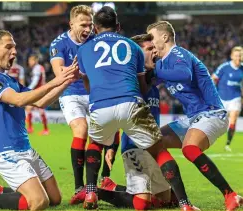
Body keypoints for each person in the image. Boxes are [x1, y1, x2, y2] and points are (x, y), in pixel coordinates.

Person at [78, 7, 197, 211]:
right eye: (149, 49)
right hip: (131, 105)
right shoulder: (132, 48)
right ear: (118, 27)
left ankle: (90, 191)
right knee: (160, 154)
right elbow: (142, 87)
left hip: (100, 103)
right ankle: (186, 205)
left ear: (95, 28)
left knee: (95, 143)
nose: (154, 53)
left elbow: (88, 84)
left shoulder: (84, 49)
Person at [0, 30, 79, 210]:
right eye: (9, 47)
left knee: (55, 198)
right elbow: (18, 100)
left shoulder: (10, 80)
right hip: (7, 154)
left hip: (26, 150)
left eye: (15, 47)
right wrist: (56, 80)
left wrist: (67, 81)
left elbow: (42, 102)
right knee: (39, 202)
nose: (14, 52)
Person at [147, 21, 243, 211]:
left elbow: (183, 74)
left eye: (152, 37)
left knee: (190, 148)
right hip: (194, 118)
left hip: (212, 112)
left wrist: (154, 69)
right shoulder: (163, 63)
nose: (150, 42)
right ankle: (173, 196)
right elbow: (148, 82)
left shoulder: (178, 54)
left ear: (164, 37)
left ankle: (230, 195)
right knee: (152, 142)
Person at [96, 34, 178, 210]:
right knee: (142, 204)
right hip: (133, 146)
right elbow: (117, 114)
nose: (154, 51)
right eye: (149, 49)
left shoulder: (154, 80)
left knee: (168, 201)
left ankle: (115, 187)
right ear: (136, 54)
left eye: (153, 48)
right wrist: (111, 147)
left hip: (153, 147)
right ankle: (99, 192)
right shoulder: (128, 83)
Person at [49, 5, 119, 203]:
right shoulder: (59, 43)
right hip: (70, 93)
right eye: (83, 25)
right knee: (81, 129)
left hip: (94, 91)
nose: (88, 29)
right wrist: (80, 73)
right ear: (71, 24)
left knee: (113, 127)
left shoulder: (95, 41)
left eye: (90, 25)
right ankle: (80, 187)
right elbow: (59, 72)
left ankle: (105, 177)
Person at [211, 46, 243, 152]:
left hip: (235, 98)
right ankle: (210, 139)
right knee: (219, 123)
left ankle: (228, 144)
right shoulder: (224, 67)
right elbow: (213, 78)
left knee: (233, 119)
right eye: (236, 56)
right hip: (222, 98)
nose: (238, 58)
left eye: (240, 56)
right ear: (232, 56)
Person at [26, 54, 49, 135]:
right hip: (40, 90)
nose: (29, 62)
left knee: (39, 109)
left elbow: (35, 81)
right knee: (29, 108)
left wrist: (28, 89)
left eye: (30, 60)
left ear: (35, 60)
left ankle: (45, 130)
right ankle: (30, 128)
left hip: (38, 91)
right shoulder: (39, 68)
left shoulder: (37, 68)